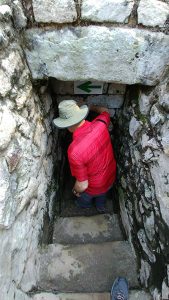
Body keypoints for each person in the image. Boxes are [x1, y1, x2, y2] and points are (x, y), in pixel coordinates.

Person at [53, 99, 116, 213]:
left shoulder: (74, 151)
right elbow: (105, 111)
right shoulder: (101, 123)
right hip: (110, 177)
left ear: (67, 125)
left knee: (83, 200)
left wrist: (75, 190)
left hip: (92, 188)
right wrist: (91, 107)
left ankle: (85, 207)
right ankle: (100, 207)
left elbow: (82, 185)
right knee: (102, 196)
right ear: (82, 116)